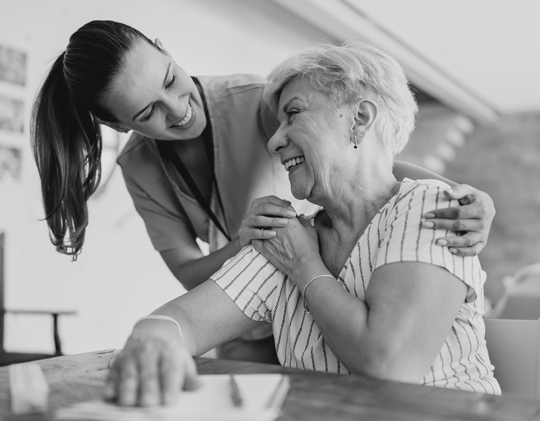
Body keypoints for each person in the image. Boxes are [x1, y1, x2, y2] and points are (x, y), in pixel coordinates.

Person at [31, 20, 495, 363]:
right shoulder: (140, 167)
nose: (178, 110)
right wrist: (245, 245)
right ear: (119, 125)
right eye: (149, 111)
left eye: (171, 79)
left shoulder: (260, 103)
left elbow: (359, 162)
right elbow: (189, 286)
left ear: (165, 49)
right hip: (259, 305)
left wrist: (458, 194)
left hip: (300, 285)